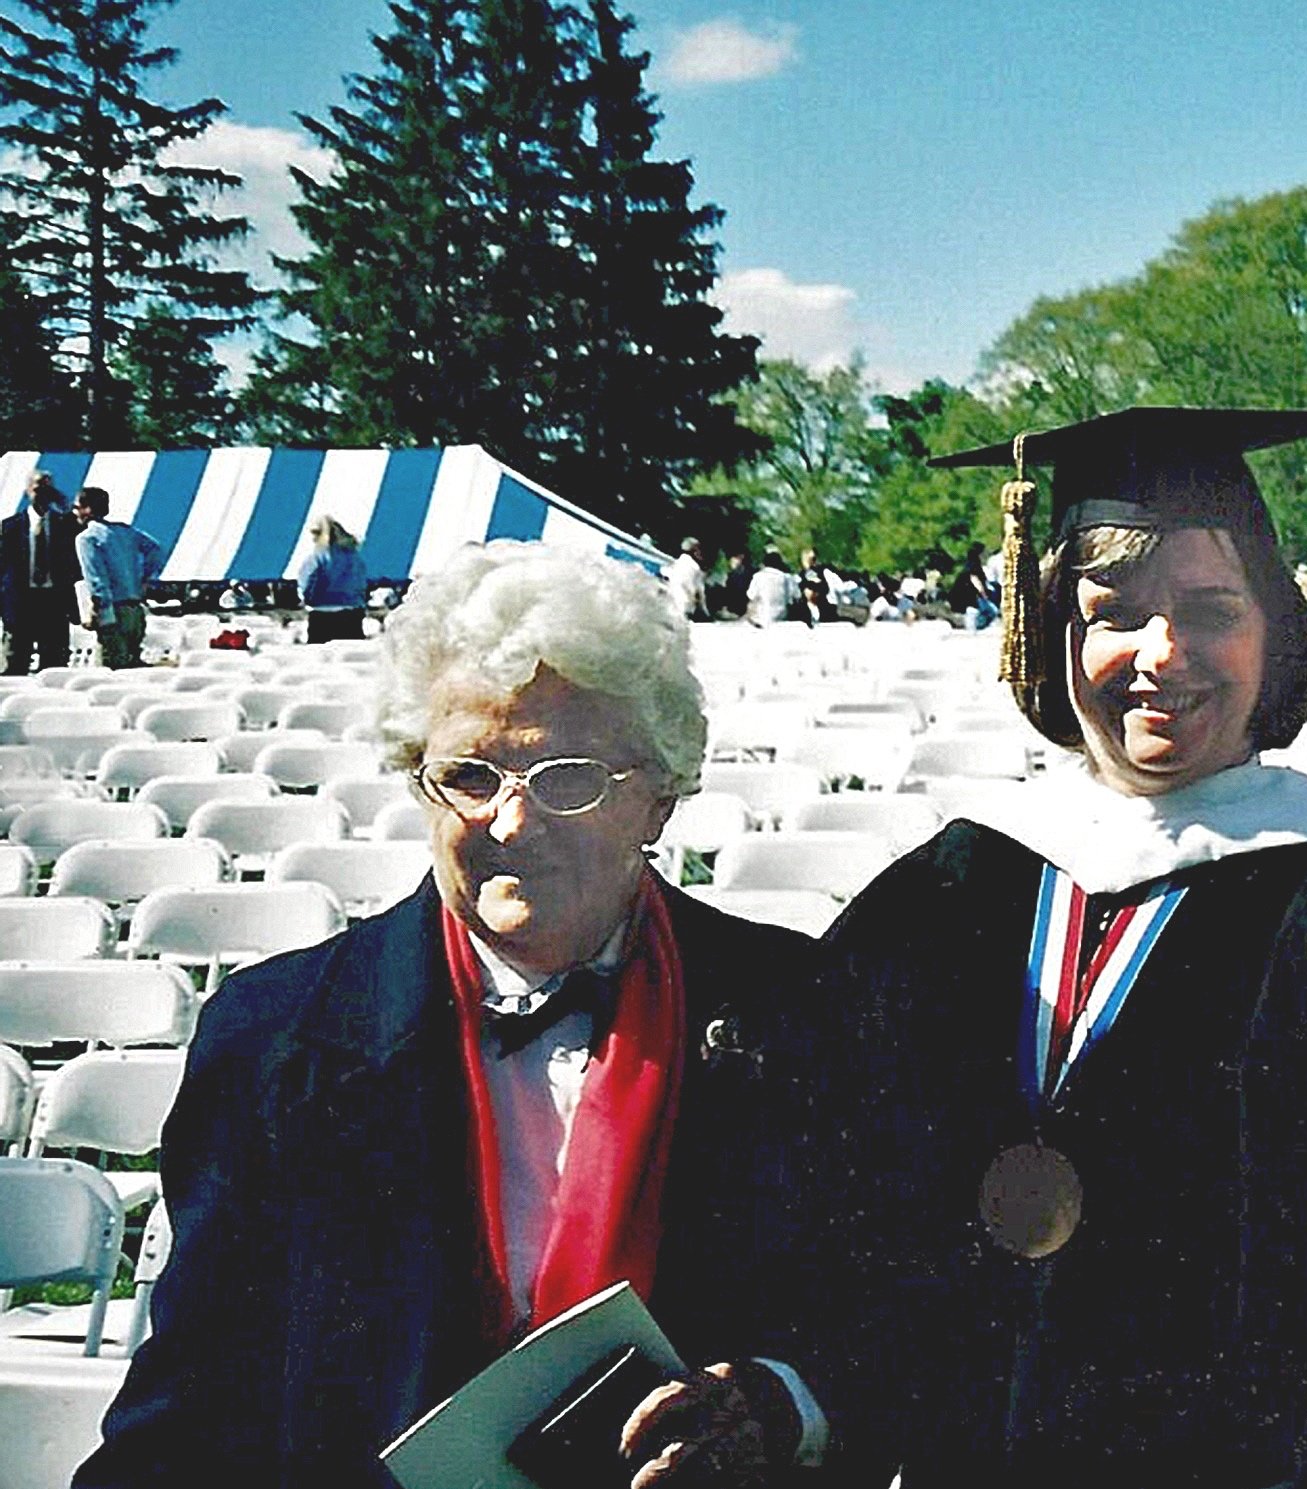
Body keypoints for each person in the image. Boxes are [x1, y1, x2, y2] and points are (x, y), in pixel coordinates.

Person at [801, 407, 1307, 1485]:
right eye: (1114, 613)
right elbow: (836, 1192)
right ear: (1051, 631)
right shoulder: (952, 887)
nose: (1160, 654)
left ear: (1274, 629)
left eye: (1208, 610)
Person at [77, 542, 836, 1489]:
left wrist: (777, 1402)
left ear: (660, 797)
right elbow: (191, 1401)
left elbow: (890, 1328)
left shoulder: (805, 1011)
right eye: (471, 778)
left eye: (566, 778)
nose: (514, 823)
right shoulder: (273, 1034)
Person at [71, 487, 165, 668]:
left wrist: (98, 612)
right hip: (135, 610)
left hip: (113, 611)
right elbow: (156, 550)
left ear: (87, 509)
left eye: (76, 507)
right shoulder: (125, 531)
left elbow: (96, 579)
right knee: (133, 670)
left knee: (109, 672)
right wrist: (145, 578)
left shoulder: (87, 538)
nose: (74, 512)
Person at [1, 469, 82, 673]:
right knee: (15, 663)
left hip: (54, 601)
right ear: (28, 491)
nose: (42, 493)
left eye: (47, 489)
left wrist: (62, 502)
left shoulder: (65, 525)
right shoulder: (10, 527)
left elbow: (80, 535)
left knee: (54, 665)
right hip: (20, 602)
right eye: (38, 488)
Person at [296, 513, 370, 644]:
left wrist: (307, 598)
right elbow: (361, 582)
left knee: (322, 659)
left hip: (323, 616)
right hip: (352, 614)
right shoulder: (355, 557)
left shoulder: (317, 557)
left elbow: (307, 581)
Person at [667, 536, 709, 620]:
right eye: (697, 549)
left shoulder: (676, 563)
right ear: (693, 550)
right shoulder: (694, 567)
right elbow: (698, 591)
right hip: (686, 605)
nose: (699, 552)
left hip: (672, 604)